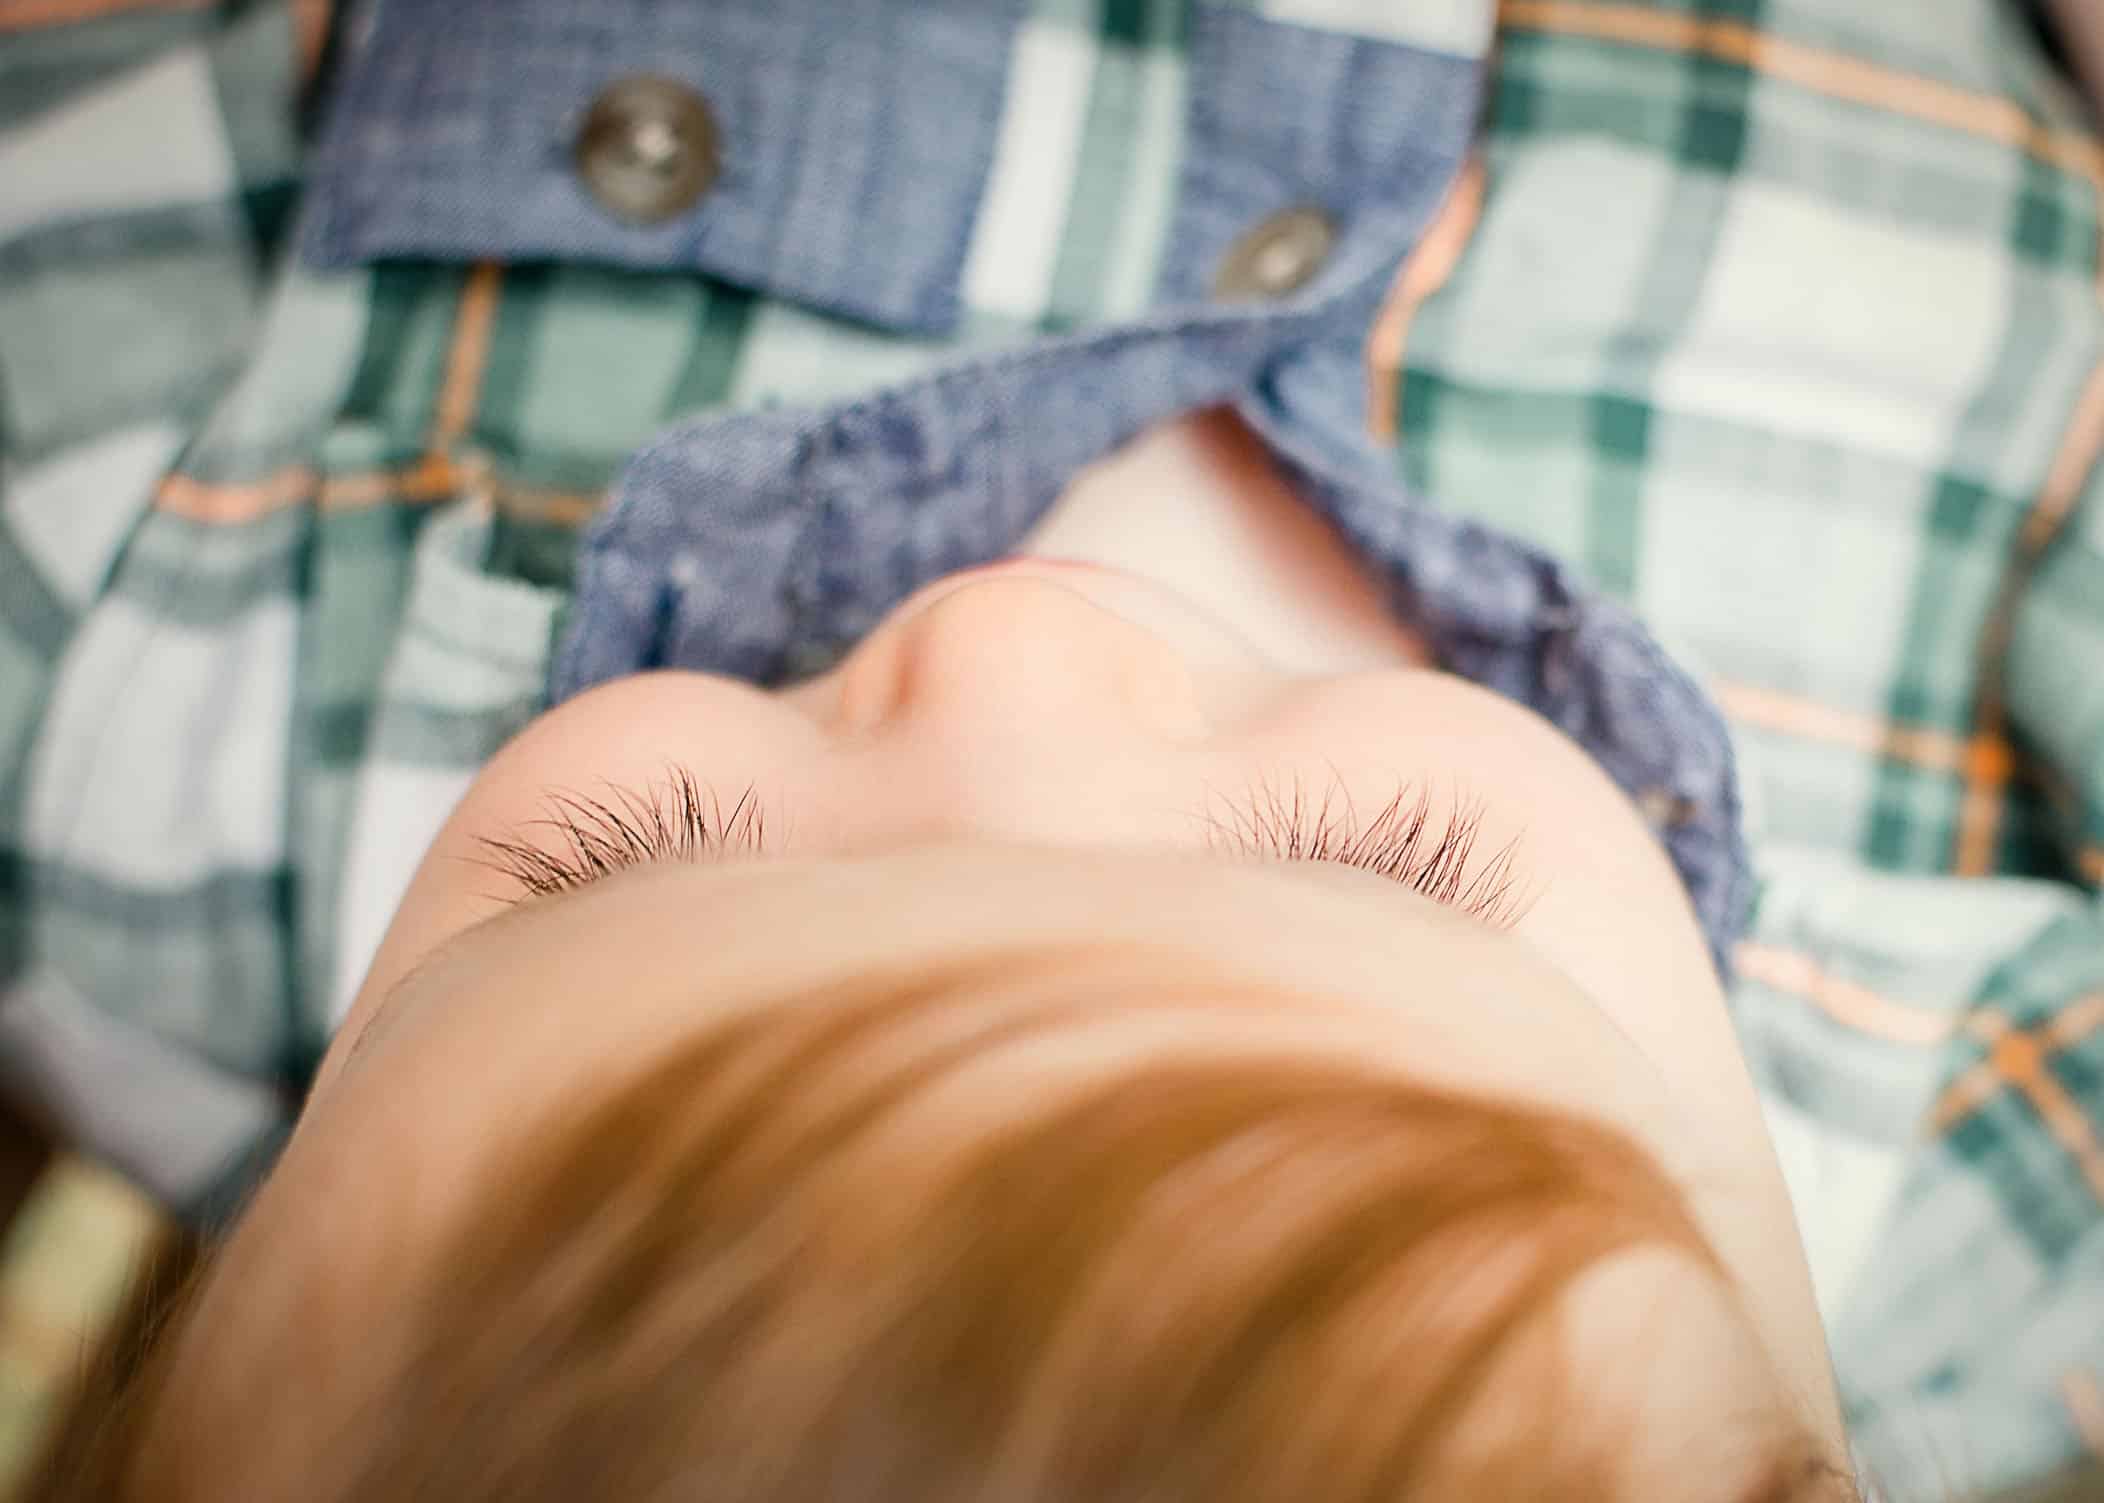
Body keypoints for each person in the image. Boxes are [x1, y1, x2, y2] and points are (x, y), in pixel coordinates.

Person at [3, 0, 2102, 1498]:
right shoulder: (1997, 1179)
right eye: (1373, 864)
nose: (999, 640)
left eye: (632, 849)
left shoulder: (137, 782)